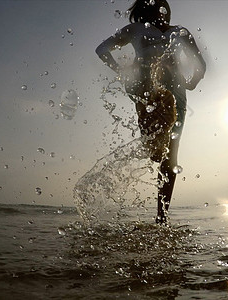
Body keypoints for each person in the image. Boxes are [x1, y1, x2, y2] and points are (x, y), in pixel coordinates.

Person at [96, 0, 206, 223]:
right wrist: (120, 69)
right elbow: (102, 49)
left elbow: (200, 63)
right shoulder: (135, 29)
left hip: (176, 97)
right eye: (155, 5)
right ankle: (154, 143)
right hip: (146, 91)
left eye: (162, 5)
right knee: (157, 152)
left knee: (170, 156)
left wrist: (193, 80)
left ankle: (161, 218)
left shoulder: (180, 32)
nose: (160, 10)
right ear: (146, 9)